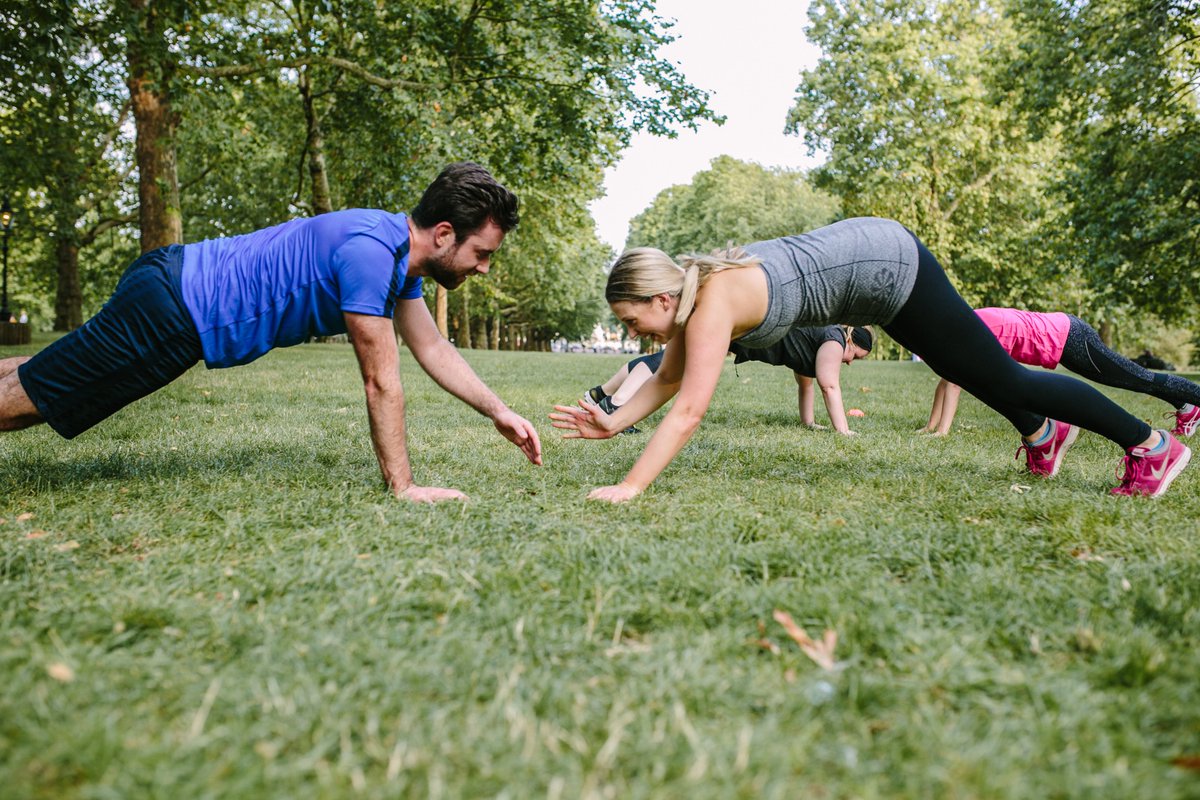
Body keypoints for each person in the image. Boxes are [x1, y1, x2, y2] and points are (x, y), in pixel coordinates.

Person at [0, 162, 542, 502]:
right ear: (445, 234)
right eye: (482, 254)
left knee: (34, 379)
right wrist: (403, 486)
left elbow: (432, 347)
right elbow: (382, 381)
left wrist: (499, 410)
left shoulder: (391, 248)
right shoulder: (372, 256)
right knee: (34, 399)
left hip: (171, 283)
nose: (484, 268)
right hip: (180, 311)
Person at [550, 217, 1191, 500]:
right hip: (872, 268)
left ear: (662, 297)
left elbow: (689, 408)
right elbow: (666, 376)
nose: (635, 334)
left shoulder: (711, 303)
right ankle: (1042, 433)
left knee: (1001, 374)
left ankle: (1152, 445)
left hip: (888, 264)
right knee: (971, 370)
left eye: (634, 321)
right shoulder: (691, 298)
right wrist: (611, 421)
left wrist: (631, 487)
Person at [920, 308, 1200, 441]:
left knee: (1139, 378)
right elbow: (947, 380)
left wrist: (942, 432)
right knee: (1136, 378)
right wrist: (930, 427)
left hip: (1070, 338)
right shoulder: (966, 321)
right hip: (1065, 335)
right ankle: (1187, 408)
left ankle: (1193, 399)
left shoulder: (970, 332)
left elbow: (955, 383)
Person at [582, 325, 874, 435]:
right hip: (745, 328)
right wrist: (843, 431)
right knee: (672, 364)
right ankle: (615, 405)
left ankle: (601, 394)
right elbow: (829, 385)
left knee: (672, 356)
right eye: (855, 355)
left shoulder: (822, 339)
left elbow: (806, 383)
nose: (849, 362)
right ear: (849, 340)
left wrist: (808, 423)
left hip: (746, 333)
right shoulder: (834, 339)